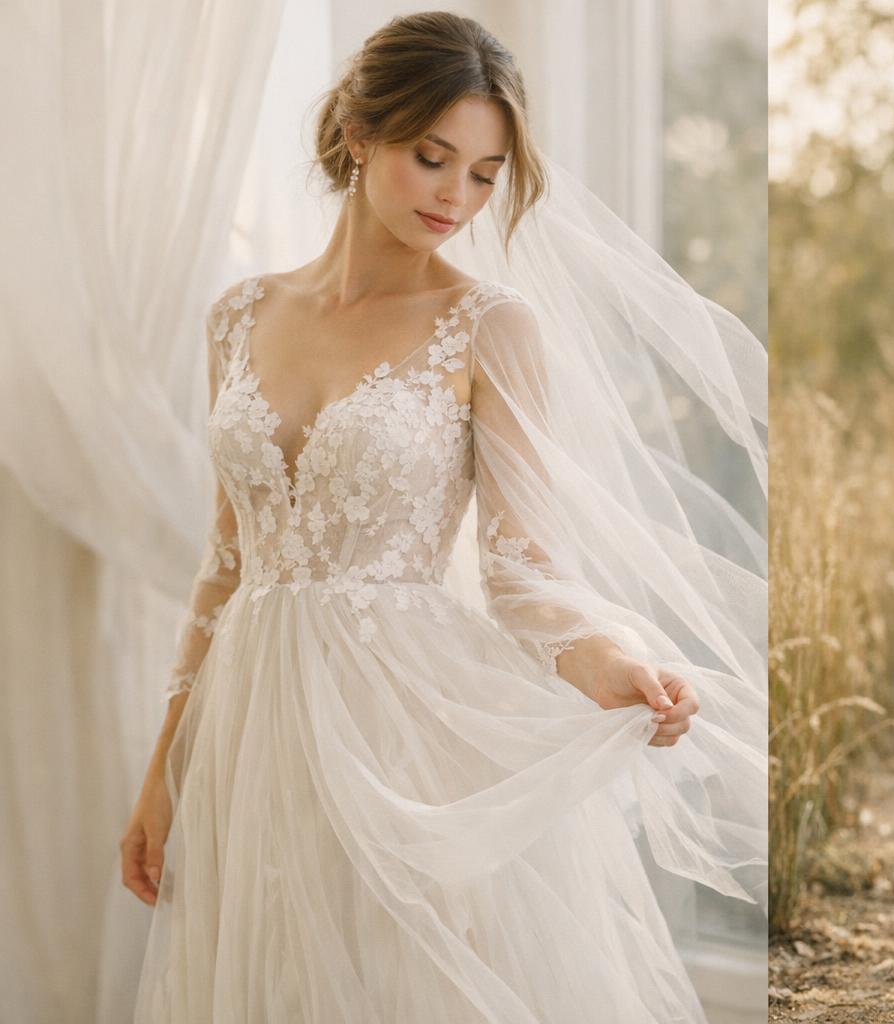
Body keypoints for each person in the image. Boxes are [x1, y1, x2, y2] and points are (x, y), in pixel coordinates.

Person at [118, 12, 765, 1023]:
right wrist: (163, 766)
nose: (457, 197)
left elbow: (521, 569)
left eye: (483, 173)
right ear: (357, 135)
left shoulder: (490, 325)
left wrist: (609, 660)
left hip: (401, 724)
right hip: (249, 727)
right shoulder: (238, 314)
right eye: (433, 158)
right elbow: (225, 558)